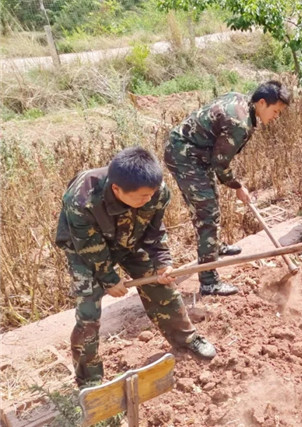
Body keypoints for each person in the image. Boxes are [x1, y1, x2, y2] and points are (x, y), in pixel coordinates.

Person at [55, 147, 216, 388]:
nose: (148, 199)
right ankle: (89, 379)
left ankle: (186, 339)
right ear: (116, 189)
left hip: (129, 238)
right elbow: (89, 246)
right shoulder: (82, 198)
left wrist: (163, 263)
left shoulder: (155, 191)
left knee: (162, 288)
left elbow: (154, 230)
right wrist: (109, 279)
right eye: (142, 197)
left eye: (151, 194)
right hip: (84, 249)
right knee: (88, 312)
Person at [164, 81, 291, 296]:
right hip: (185, 156)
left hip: (195, 153)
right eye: (276, 111)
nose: (276, 117)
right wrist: (238, 186)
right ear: (262, 103)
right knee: (207, 213)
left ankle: (213, 247)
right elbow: (220, 164)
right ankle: (209, 281)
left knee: (210, 202)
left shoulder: (240, 99)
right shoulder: (239, 123)